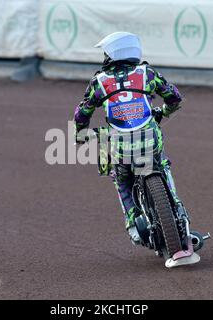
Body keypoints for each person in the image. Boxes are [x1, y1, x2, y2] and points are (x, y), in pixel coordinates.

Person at [74, 32, 192, 261]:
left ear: (113, 54)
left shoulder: (99, 81)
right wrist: (164, 112)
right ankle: (176, 206)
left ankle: (131, 221)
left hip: (120, 146)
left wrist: (80, 133)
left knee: (121, 178)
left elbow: (83, 112)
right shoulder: (146, 73)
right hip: (150, 140)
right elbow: (174, 97)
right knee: (163, 165)